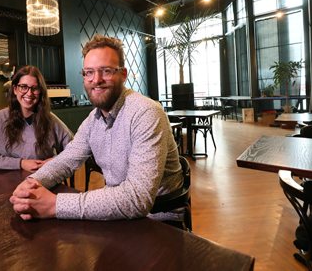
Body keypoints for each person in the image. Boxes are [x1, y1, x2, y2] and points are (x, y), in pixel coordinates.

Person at [10, 34, 183, 220]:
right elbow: (66, 159)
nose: (96, 79)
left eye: (106, 71)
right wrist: (32, 182)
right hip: (119, 214)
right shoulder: (93, 119)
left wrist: (56, 204)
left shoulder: (146, 112)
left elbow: (137, 199)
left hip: (159, 221)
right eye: (89, 72)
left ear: (123, 74)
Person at [0, 65, 73, 172]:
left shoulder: (50, 120)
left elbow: (74, 151)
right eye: (23, 87)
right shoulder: (1, 118)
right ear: (15, 89)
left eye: (35, 88)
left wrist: (55, 161)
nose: (29, 93)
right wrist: (21, 163)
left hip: (40, 182)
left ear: (41, 91)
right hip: (6, 183)